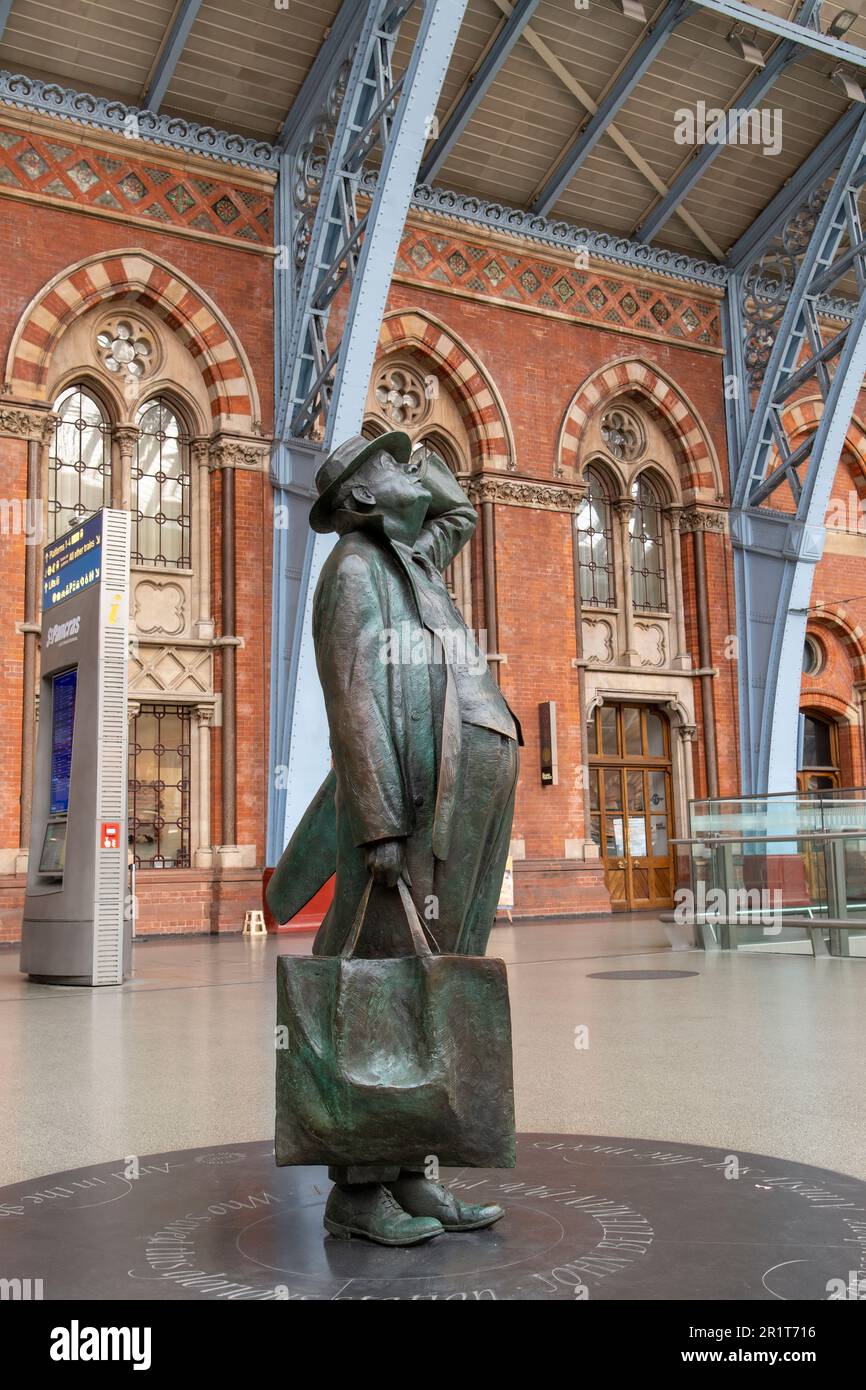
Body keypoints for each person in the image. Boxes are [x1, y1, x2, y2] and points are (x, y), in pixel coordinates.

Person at [269, 431, 522, 1245]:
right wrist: (376, 822)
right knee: (384, 988)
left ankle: (414, 1172)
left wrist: (423, 476)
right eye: (392, 464)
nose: (408, 468)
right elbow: (354, 706)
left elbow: (460, 513)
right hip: (410, 812)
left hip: (466, 797)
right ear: (366, 500)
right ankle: (358, 1190)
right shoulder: (352, 572)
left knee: (434, 987)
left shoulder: (408, 559)